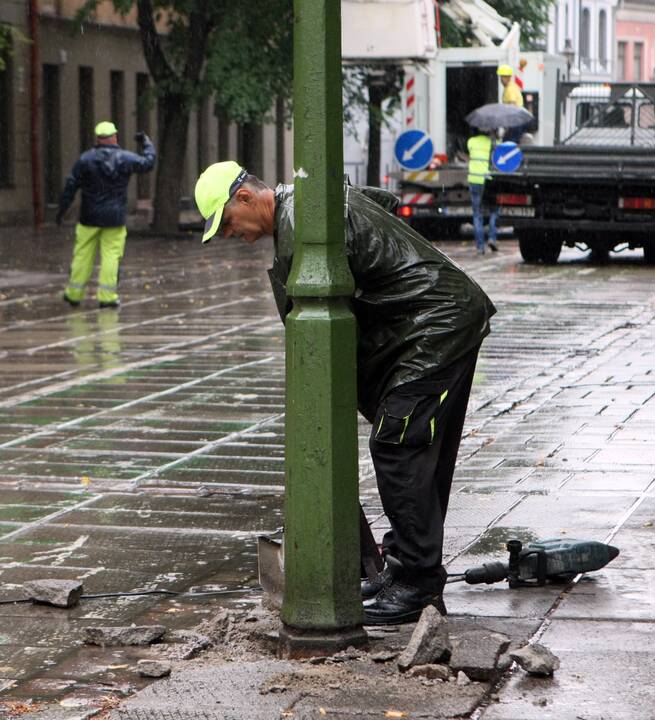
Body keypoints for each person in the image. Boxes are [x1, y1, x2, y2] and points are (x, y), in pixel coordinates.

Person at [194, 161, 496, 625]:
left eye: (229, 224)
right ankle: (409, 572)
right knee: (417, 449)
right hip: (441, 319)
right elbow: (384, 201)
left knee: (398, 445)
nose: (234, 235)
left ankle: (415, 582)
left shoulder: (300, 226)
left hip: (434, 328)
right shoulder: (315, 198)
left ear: (246, 198)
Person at [57, 121, 155, 309]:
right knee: (111, 256)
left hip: (89, 217)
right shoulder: (125, 158)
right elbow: (147, 163)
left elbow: (71, 185)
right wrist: (146, 143)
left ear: (98, 139)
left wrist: (62, 210)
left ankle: (74, 294)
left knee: (82, 256)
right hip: (114, 218)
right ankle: (107, 296)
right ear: (114, 137)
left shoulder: (85, 159)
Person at [467, 130, 499, 253]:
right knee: (494, 210)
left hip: (474, 180)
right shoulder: (492, 143)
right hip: (488, 180)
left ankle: (480, 247)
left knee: (477, 214)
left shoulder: (471, 142)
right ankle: (492, 237)